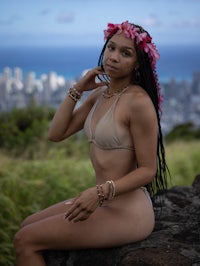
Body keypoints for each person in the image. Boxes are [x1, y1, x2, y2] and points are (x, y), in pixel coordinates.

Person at [13, 20, 169, 265]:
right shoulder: (99, 94)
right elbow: (56, 133)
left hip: (127, 211)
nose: (114, 57)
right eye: (111, 48)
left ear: (138, 63)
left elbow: (148, 170)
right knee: (25, 226)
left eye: (125, 53)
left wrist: (100, 193)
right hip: (101, 201)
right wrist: (77, 89)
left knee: (25, 239)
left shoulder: (138, 102)